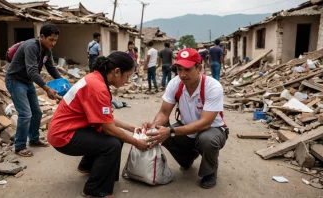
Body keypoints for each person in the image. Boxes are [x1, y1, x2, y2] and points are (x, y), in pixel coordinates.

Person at [47, 52, 148, 198]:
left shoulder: (95, 79)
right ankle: (95, 190)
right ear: (116, 71)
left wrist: (131, 128)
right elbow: (109, 129)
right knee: (112, 143)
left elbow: (104, 120)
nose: (127, 81)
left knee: (115, 135)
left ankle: (88, 167)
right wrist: (137, 142)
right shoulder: (98, 88)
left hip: (66, 129)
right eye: (127, 76)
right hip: (63, 135)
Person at [143, 48, 228, 189]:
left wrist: (170, 131)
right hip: (186, 127)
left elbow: (205, 123)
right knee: (159, 134)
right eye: (179, 69)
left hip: (212, 129)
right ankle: (187, 159)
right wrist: (154, 126)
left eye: (187, 70)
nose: (182, 74)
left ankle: (210, 172)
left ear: (199, 68)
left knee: (207, 140)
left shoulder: (212, 87)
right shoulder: (175, 84)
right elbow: (164, 113)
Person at [5, 24, 62, 157]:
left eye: (55, 40)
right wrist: (47, 88)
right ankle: (19, 147)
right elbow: (32, 71)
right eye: (51, 39)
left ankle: (34, 139)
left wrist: (63, 83)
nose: (53, 43)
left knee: (37, 112)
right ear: (42, 36)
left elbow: (51, 68)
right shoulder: (31, 46)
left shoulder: (47, 49)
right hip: (15, 80)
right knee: (25, 114)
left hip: (27, 82)